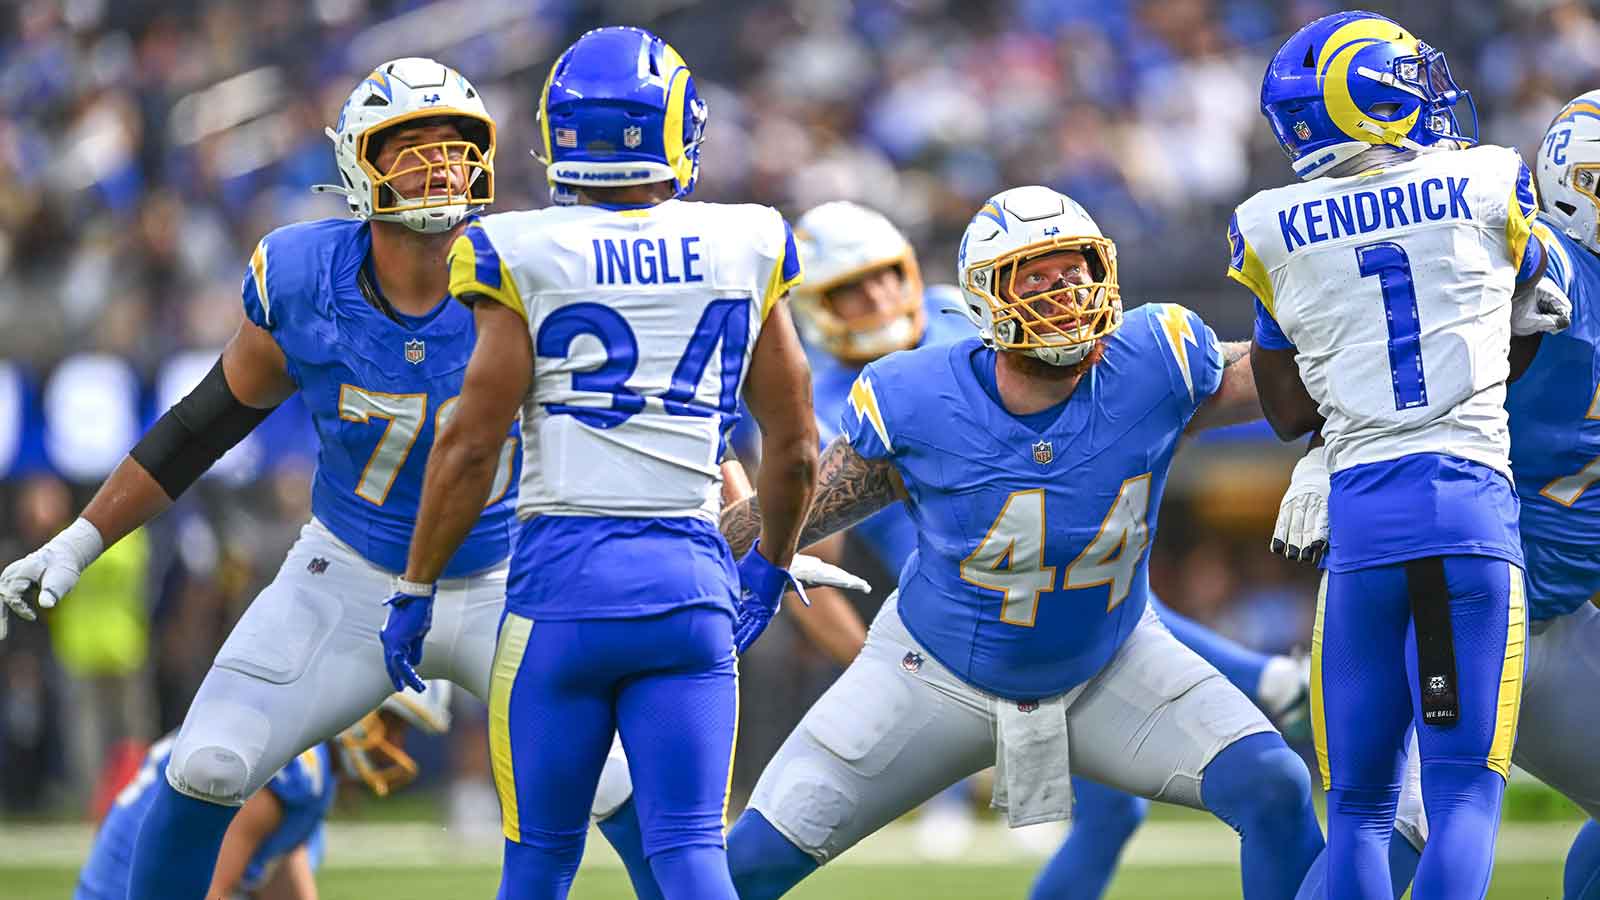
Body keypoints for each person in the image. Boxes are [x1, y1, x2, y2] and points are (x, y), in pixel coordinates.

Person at [0, 57, 517, 900]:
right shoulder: (304, 278)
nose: (440, 165)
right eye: (410, 146)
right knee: (207, 764)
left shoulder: (527, 270)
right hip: (353, 573)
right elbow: (202, 426)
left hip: (507, 574)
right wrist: (82, 537)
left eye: (455, 146)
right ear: (359, 165)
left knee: (620, 792)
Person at [718, 184, 1326, 900]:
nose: (1063, 294)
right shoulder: (912, 396)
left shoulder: (1156, 357)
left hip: (1112, 660)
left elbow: (1284, 380)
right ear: (987, 300)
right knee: (743, 866)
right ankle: (1274, 683)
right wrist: (692, 527)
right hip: (930, 675)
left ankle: (1273, 687)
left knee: (1275, 787)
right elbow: (796, 515)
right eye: (1035, 279)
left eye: (1074, 273)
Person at [381, 26, 818, 900]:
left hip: (560, 596)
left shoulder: (517, 247)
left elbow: (471, 445)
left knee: (540, 863)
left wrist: (418, 585)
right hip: (691, 589)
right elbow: (798, 445)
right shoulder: (748, 239)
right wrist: (769, 565)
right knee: (692, 853)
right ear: (674, 127)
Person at [1227, 12, 1568, 899]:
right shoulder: (1490, 180)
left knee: (1360, 807)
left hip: (1361, 518)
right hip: (1468, 506)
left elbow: (1285, 406)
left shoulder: (1269, 226)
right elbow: (1522, 343)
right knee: (1461, 795)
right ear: (1365, 95)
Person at [75, 685, 451, 900]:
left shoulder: (306, 758)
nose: (396, 743)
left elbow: (281, 878)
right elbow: (209, 892)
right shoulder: (291, 768)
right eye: (391, 723)